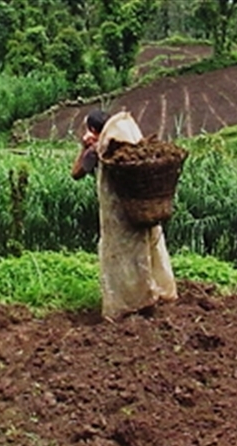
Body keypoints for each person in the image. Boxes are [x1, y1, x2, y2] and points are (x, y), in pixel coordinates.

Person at [71, 109, 178, 321]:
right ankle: (157, 292)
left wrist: (85, 147)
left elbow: (76, 173)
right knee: (148, 249)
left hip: (118, 217)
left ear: (93, 130)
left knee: (123, 257)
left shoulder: (99, 151)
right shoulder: (131, 146)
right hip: (143, 213)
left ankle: (130, 302)